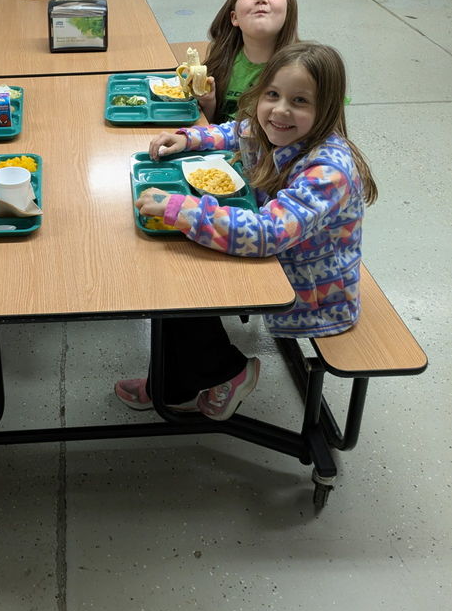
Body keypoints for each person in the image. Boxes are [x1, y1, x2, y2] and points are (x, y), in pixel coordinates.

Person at [115, 42, 377, 420]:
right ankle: (173, 386)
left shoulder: (329, 171)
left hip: (310, 292)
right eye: (272, 95)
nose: (281, 110)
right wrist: (189, 138)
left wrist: (181, 208)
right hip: (278, 259)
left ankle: (226, 371)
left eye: (300, 101)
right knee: (175, 273)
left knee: (185, 287)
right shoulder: (273, 128)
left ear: (326, 111)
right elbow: (237, 131)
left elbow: (267, 233)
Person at [196, 0, 299, 124]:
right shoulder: (222, 60)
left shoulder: (304, 69)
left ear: (288, 12)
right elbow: (211, 126)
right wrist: (208, 103)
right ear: (234, 17)